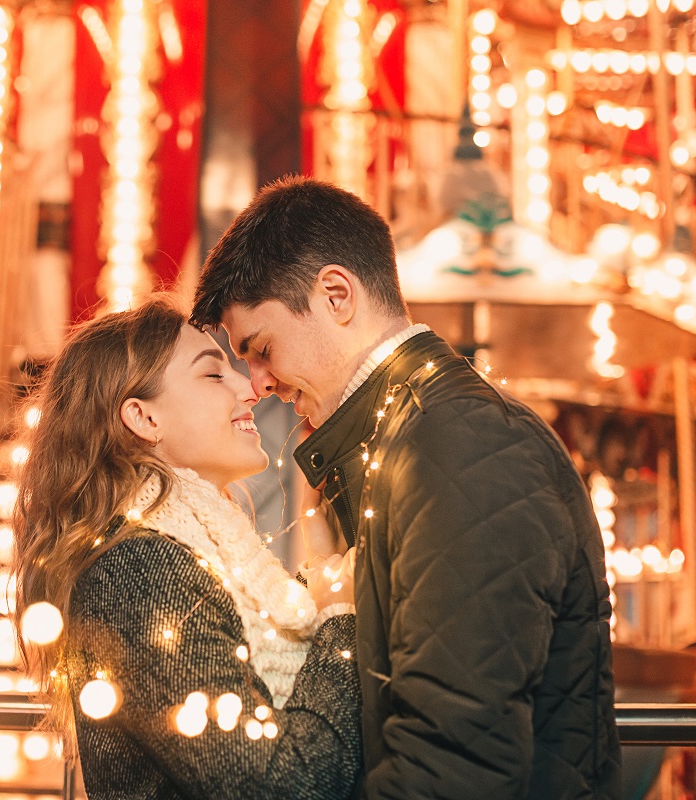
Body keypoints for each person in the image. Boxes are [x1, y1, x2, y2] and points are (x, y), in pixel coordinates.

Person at [191, 175, 622, 799]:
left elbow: (454, 763)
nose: (259, 385)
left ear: (337, 295)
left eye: (262, 349)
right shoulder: (415, 438)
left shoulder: (457, 443)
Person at [14, 295, 363, 800]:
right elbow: (276, 786)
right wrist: (338, 626)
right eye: (213, 375)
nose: (249, 389)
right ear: (143, 418)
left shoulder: (198, 548)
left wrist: (321, 564)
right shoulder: (138, 569)